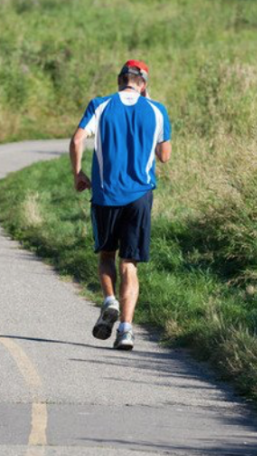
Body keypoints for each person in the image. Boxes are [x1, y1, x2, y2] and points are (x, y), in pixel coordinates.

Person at [69, 60, 171, 351]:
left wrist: (78, 174)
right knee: (130, 264)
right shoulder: (157, 110)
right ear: (144, 84)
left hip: (105, 195)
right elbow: (164, 156)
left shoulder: (100, 105)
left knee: (106, 255)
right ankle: (125, 331)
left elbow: (77, 140)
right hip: (139, 196)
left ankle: (110, 300)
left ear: (119, 80)